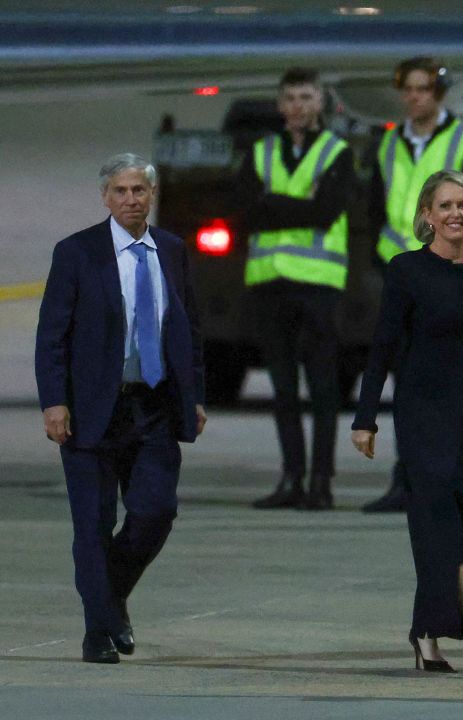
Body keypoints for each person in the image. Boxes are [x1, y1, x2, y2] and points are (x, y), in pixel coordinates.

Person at [351, 170, 463, 675]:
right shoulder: (407, 271)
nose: (456, 214)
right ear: (427, 215)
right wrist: (366, 419)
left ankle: (426, 636)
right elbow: (382, 347)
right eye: (446, 206)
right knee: (447, 526)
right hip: (424, 418)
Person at [35, 153, 207, 663]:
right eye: (121, 191)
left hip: (152, 408)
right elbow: (52, 337)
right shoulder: (77, 252)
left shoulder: (171, 251)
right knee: (92, 524)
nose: (131, 199)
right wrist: (54, 402)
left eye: (139, 190)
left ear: (152, 195)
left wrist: (193, 393)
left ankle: (109, 599)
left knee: (156, 511)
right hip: (91, 411)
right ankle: (98, 632)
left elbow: (189, 331)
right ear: (105, 197)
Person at [363, 56, 463, 514]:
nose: (415, 97)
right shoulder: (388, 143)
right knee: (406, 383)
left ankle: (452, 473)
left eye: (424, 89)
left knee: (456, 383)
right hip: (403, 276)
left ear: (439, 93)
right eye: (408, 88)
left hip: (450, 274)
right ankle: (406, 477)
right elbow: (373, 206)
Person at [236, 66, 354, 511]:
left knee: (323, 389)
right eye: (291, 98)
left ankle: (321, 481)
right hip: (269, 286)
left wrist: (273, 204)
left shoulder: (336, 152)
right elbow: (246, 210)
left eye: (306, 97)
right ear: (281, 105)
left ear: (320, 102)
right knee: (283, 390)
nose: (298, 106)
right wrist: (297, 206)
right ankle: (291, 477)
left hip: (318, 287)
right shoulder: (262, 151)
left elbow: (326, 213)